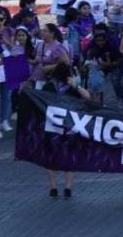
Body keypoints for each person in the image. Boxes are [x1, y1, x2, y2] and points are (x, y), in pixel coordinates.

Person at [42, 61, 90, 198]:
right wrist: (76, 85)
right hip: (69, 125)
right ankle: (68, 187)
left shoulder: (49, 86)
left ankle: (53, 187)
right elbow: (88, 97)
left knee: (51, 157)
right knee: (69, 156)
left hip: (52, 127)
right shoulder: (70, 87)